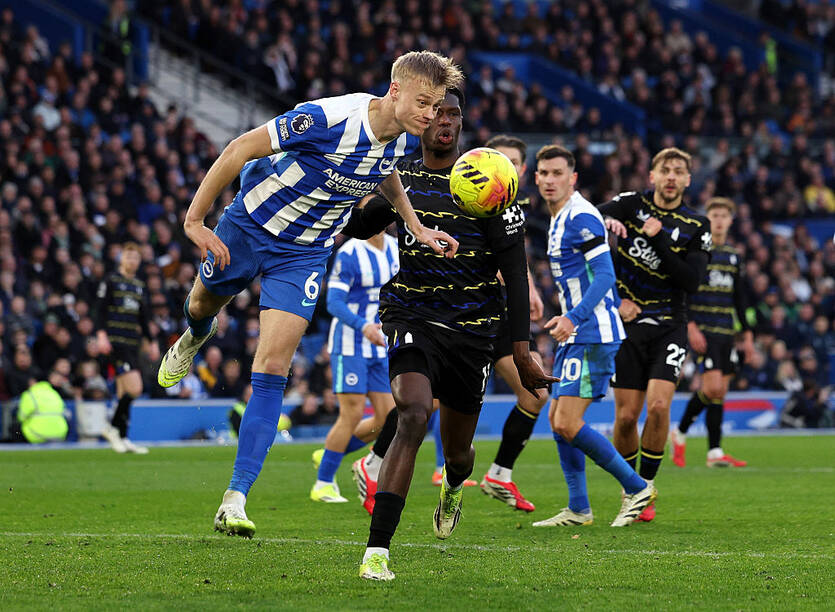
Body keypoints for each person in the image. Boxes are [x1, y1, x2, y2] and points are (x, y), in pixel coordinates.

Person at [156, 50, 462, 539]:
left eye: (437, 106)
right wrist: (195, 220)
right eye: (424, 103)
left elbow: (382, 172)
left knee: (274, 366)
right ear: (396, 90)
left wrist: (415, 225)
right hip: (249, 225)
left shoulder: (401, 139)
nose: (431, 115)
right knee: (198, 305)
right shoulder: (327, 117)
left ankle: (234, 498)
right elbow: (239, 149)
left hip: (304, 255)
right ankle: (195, 334)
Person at [341, 88, 556, 581]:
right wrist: (349, 206)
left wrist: (521, 352)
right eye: (436, 111)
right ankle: (378, 550)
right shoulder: (402, 178)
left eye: (454, 113)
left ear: (460, 124)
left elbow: (517, 274)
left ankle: (454, 487)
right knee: (414, 414)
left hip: (472, 332)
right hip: (410, 315)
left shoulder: (494, 184)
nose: (445, 120)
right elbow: (358, 223)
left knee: (458, 453)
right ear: (421, 119)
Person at [525, 145, 655, 529]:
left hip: (592, 332)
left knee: (567, 421)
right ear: (536, 178)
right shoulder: (559, 218)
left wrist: (573, 317)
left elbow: (605, 277)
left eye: (557, 173)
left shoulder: (581, 216)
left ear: (572, 178)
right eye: (544, 173)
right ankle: (579, 508)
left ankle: (637, 487)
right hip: (576, 333)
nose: (550, 180)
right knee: (556, 418)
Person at [599, 148, 711, 522]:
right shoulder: (630, 204)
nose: (671, 177)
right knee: (627, 417)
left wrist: (659, 239)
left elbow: (691, 281)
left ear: (688, 180)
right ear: (652, 175)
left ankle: (643, 489)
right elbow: (589, 219)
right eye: (665, 169)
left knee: (659, 406)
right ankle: (630, 487)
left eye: (679, 171)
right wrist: (607, 223)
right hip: (627, 323)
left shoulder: (697, 225)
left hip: (669, 323)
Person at [478, 134, 548, 512]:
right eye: (497, 159)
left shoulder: (515, 206)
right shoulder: (467, 196)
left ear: (521, 170)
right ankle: (372, 462)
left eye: (513, 162)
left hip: (503, 312)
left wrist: (531, 291)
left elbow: (516, 262)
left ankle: (500, 473)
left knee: (535, 393)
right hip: (468, 308)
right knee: (431, 403)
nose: (505, 168)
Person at [309, 227, 399, 503]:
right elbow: (334, 303)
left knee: (389, 419)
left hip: (381, 345)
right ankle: (323, 483)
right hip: (351, 344)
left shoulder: (396, 249)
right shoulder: (349, 253)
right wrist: (363, 327)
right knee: (352, 412)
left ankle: (329, 454)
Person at [670, 197, 755, 468]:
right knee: (713, 387)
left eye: (723, 215)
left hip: (726, 330)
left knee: (719, 392)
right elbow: (684, 290)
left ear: (730, 220)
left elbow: (739, 297)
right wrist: (691, 325)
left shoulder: (733, 255)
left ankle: (715, 451)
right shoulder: (697, 251)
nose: (719, 220)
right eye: (714, 215)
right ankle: (681, 431)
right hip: (703, 329)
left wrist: (748, 333)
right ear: (707, 219)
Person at [95, 242, 159, 454]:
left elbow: (144, 317)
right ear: (121, 258)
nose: (132, 261)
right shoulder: (111, 280)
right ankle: (111, 427)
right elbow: (100, 311)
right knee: (135, 389)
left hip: (133, 343)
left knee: (124, 392)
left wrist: (151, 341)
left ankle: (122, 437)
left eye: (135, 258)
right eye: (128, 257)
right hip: (116, 342)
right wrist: (101, 335)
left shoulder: (139, 285)